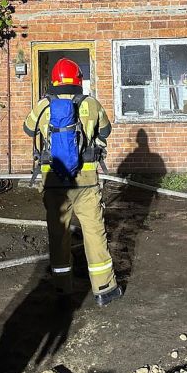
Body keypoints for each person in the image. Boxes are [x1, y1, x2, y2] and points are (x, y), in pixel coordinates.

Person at [23, 58, 122, 306]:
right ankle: (104, 288)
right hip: (86, 182)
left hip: (54, 182)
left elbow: (28, 130)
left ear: (53, 80)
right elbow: (106, 132)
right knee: (94, 233)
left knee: (59, 234)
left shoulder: (43, 107)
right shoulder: (91, 104)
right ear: (78, 79)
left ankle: (62, 287)